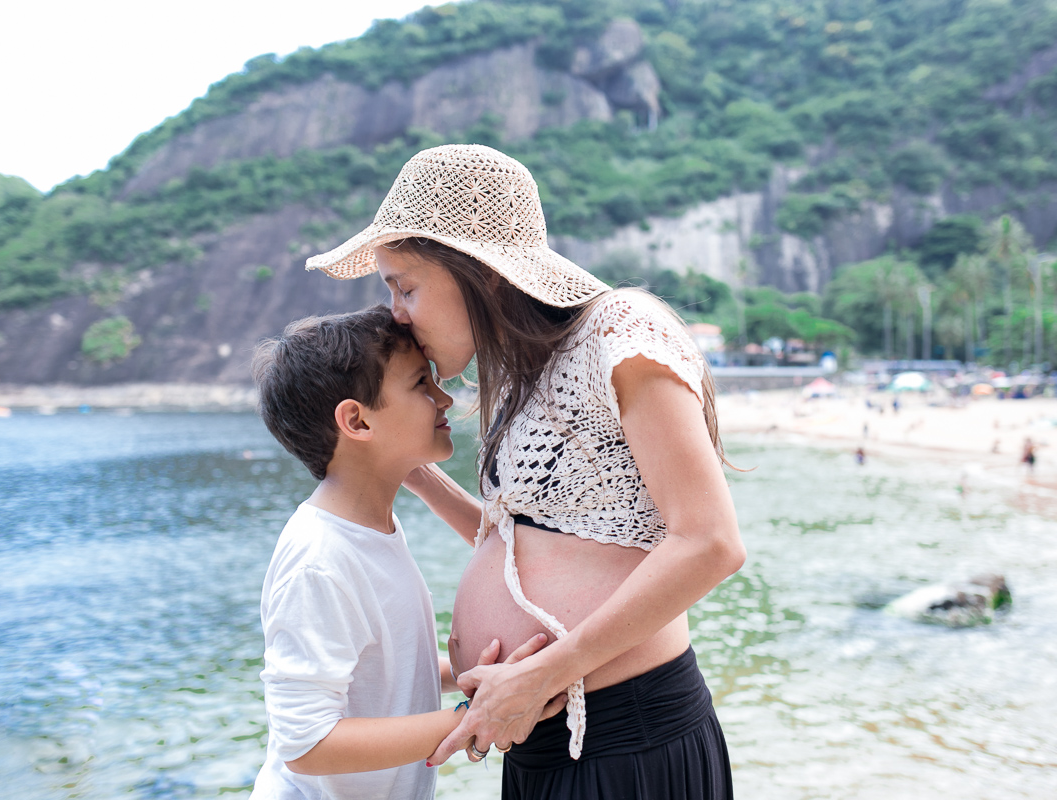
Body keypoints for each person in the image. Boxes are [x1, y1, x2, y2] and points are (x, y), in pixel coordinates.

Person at [306, 144, 747, 798]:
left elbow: (710, 543)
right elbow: (519, 538)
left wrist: (544, 676)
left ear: (480, 273)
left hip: (627, 736)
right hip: (535, 734)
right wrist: (414, 475)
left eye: (405, 286)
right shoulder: (514, 372)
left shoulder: (622, 335)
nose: (397, 312)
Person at [248, 308, 547, 800]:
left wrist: (483, 681)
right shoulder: (320, 559)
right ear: (357, 420)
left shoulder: (370, 525)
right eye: (420, 384)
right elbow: (306, 743)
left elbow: (380, 670)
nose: (445, 397)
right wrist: (477, 718)